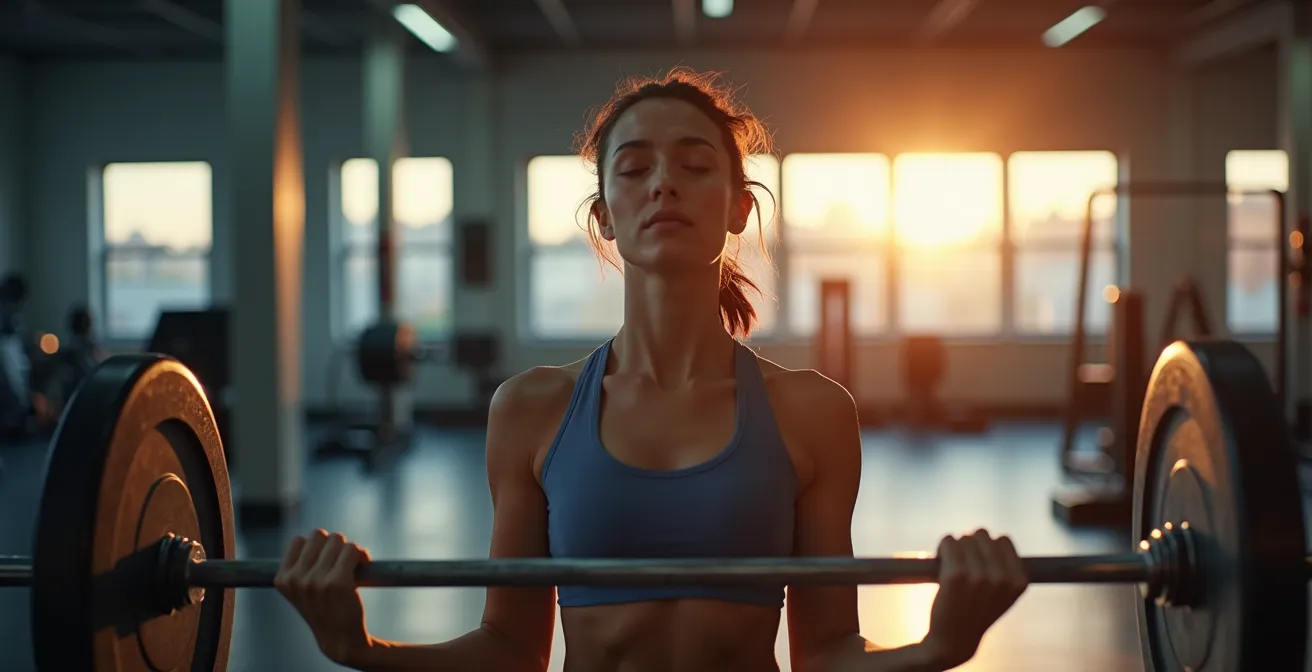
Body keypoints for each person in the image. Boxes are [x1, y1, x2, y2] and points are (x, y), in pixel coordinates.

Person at [275, 68, 1030, 671]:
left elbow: (826, 653)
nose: (664, 183)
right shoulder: (532, 409)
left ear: (738, 207)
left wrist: (941, 648)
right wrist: (360, 650)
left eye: (695, 166)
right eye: (634, 169)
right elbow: (509, 650)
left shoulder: (812, 412)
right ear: (603, 216)